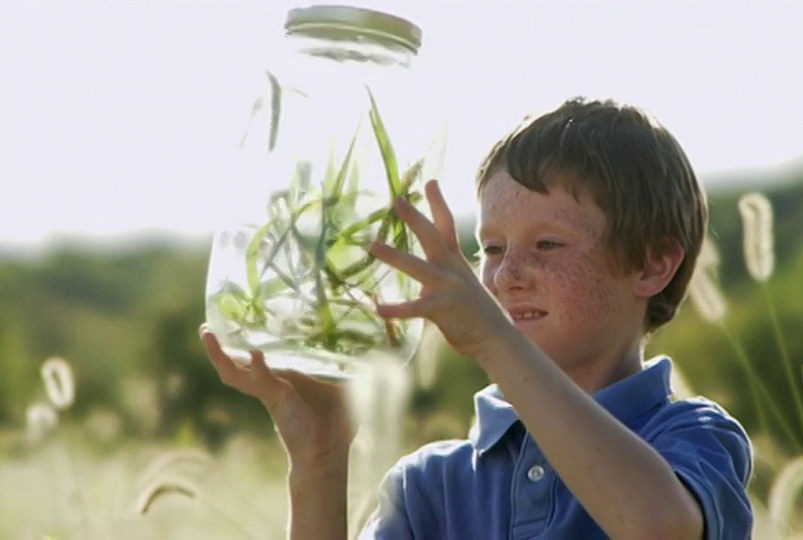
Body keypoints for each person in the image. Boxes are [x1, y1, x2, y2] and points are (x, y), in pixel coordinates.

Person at [200, 96, 753, 539]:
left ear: (653, 264)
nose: (507, 275)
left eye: (548, 244)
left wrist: (494, 341)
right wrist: (321, 462)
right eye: (489, 248)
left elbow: (658, 528)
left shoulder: (692, 437)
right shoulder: (431, 488)